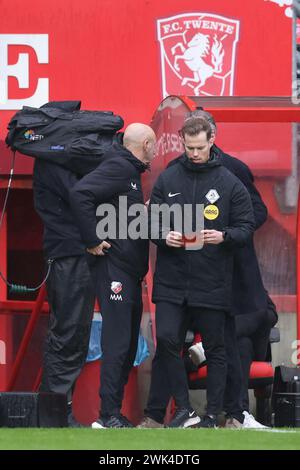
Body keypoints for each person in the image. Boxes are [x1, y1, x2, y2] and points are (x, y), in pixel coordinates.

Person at [139, 109, 274, 429]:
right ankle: (183, 409)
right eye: (189, 148)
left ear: (212, 140)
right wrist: (162, 236)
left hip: (213, 278)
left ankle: (215, 414)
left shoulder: (231, 179)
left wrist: (225, 236)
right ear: (183, 144)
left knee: (217, 346)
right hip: (172, 278)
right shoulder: (169, 176)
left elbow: (248, 222)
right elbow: (150, 220)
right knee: (168, 340)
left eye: (200, 147)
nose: (195, 153)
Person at [70, 123, 156, 428]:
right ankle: (106, 415)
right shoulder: (120, 167)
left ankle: (113, 413)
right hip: (113, 268)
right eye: (154, 145)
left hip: (129, 271)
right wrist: (91, 239)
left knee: (128, 343)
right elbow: (80, 194)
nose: (156, 151)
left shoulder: (129, 172)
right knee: (118, 341)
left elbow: (117, 213)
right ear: (146, 144)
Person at [33, 160, 95, 427]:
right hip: (69, 254)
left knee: (72, 334)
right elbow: (81, 194)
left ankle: (56, 411)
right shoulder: (54, 163)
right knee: (68, 334)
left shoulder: (51, 159)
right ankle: (55, 413)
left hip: (70, 252)